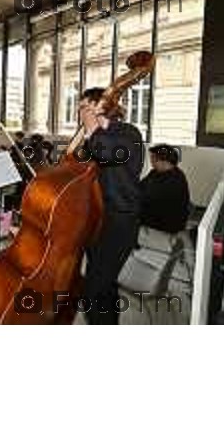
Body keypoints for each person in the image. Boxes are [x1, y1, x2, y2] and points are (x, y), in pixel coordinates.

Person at [79, 87, 144, 325]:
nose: (81, 112)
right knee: (106, 285)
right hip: (97, 220)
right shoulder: (93, 136)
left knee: (93, 290)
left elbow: (109, 153)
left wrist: (93, 129)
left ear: (100, 106)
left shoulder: (127, 133)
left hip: (120, 221)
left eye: (85, 107)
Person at [140, 144, 190, 234]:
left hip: (166, 223)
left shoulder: (175, 179)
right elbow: (141, 187)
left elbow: (147, 198)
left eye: (154, 159)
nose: (151, 162)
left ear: (164, 161)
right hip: (156, 212)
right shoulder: (155, 172)